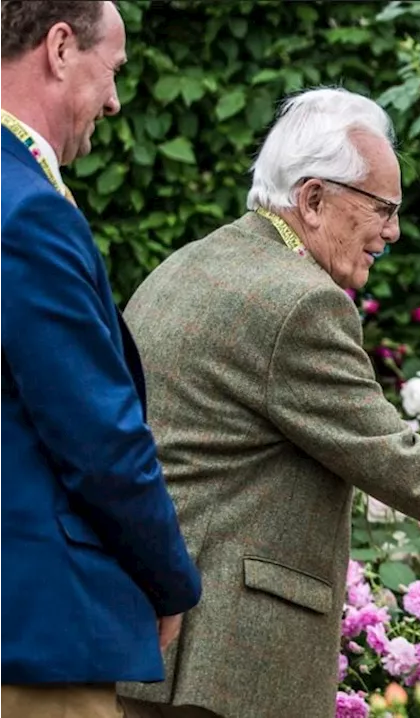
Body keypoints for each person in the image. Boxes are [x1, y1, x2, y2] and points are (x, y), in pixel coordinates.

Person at [116, 88, 420, 718]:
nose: (394, 230)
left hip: (151, 631)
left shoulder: (186, 265)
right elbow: (399, 463)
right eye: (382, 208)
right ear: (314, 198)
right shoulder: (300, 302)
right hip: (226, 663)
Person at [0, 1, 202, 716]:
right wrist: (171, 580)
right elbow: (99, 439)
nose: (115, 100)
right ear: (60, 48)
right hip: (35, 632)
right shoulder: (26, 210)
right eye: (111, 69)